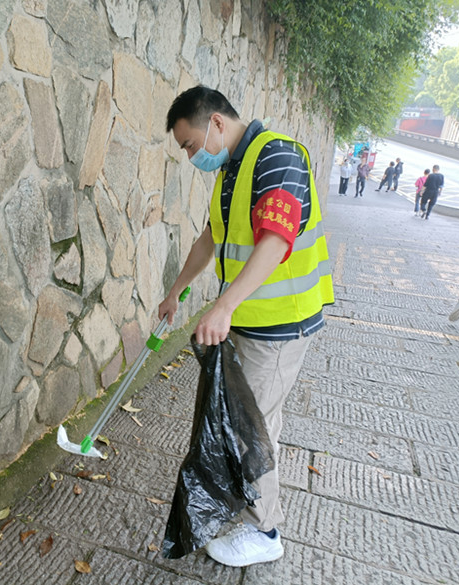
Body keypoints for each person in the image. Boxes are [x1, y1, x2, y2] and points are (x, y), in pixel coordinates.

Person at [159, 86, 334, 567]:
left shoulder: (278, 156)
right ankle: (256, 512)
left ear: (216, 122)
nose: (193, 155)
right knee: (255, 420)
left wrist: (224, 306)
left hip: (278, 325)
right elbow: (210, 237)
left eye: (191, 144)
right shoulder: (232, 173)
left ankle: (266, 531)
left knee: (249, 430)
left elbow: (277, 241)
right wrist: (176, 291)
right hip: (250, 323)